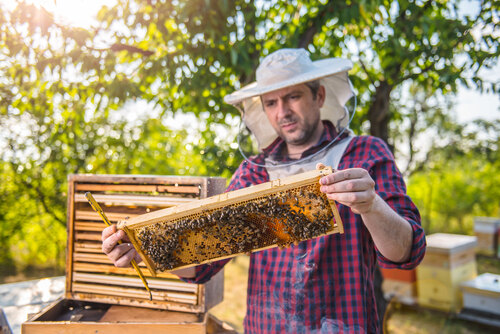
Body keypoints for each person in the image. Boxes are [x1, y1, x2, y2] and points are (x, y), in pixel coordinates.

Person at [102, 48, 426, 333]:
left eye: (293, 96)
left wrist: (371, 206)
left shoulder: (366, 154)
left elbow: (405, 252)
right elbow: (202, 265)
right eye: (271, 102)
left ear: (320, 96)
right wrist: (144, 249)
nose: (282, 111)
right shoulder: (253, 172)